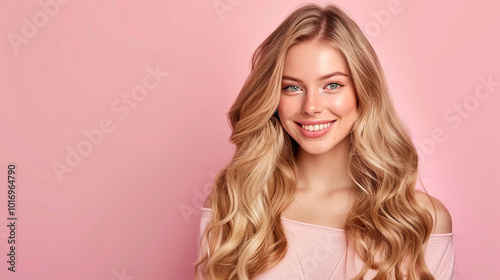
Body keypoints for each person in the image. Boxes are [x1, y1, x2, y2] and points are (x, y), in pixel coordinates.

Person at [195, 3, 455, 280]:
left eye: (332, 85)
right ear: (272, 98)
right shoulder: (238, 203)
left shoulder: (419, 219)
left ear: (363, 90)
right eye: (292, 87)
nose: (311, 106)